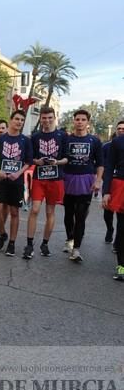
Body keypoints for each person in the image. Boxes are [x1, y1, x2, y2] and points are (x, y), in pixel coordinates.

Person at [23, 107, 68, 259]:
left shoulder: (62, 135)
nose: (47, 121)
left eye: (49, 118)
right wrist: (38, 161)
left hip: (55, 179)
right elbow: (30, 158)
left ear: (54, 118)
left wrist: (57, 162)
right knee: (34, 209)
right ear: (40, 119)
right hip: (39, 178)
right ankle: (29, 245)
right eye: (44, 118)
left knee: (50, 212)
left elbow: (67, 158)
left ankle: (45, 244)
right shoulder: (35, 137)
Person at [0, 110, 33, 256]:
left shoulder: (25, 140)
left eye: (22, 120)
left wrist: (18, 173)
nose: (19, 122)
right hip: (1, 179)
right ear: (11, 120)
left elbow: (28, 161)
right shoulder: (1, 139)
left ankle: (12, 244)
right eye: (17, 119)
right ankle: (2, 233)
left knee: (14, 212)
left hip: (17, 181)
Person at [62, 109, 103, 262]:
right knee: (68, 214)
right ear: (74, 121)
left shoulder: (95, 141)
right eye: (77, 119)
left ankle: (76, 249)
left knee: (80, 216)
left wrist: (98, 180)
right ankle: (70, 239)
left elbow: (100, 164)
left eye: (83, 119)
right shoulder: (66, 139)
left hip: (86, 181)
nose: (80, 122)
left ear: (88, 123)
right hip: (68, 180)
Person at [102, 119, 124, 280]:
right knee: (122, 228)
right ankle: (121, 266)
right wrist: (106, 191)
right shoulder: (117, 142)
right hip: (121, 185)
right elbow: (109, 167)